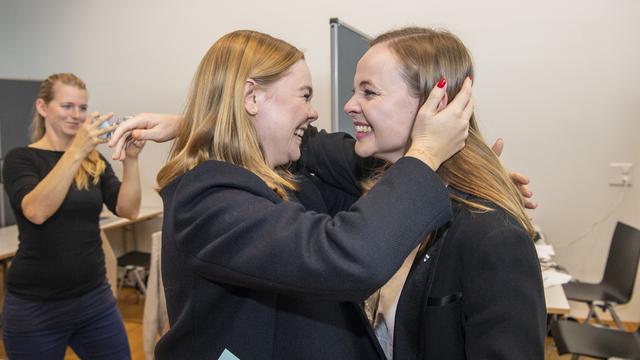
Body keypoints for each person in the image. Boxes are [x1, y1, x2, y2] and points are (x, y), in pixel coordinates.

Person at [112, 30, 472, 359]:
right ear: (252, 96)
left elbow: (343, 156)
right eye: (305, 96)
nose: (314, 112)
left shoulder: (285, 175)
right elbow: (346, 256)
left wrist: (468, 172)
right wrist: (425, 153)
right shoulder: (207, 200)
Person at [301, 27, 546, 359]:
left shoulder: (493, 235)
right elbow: (307, 143)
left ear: (437, 103)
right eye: (354, 91)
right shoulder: (378, 179)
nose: (349, 106)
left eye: (369, 93)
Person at [2, 73, 144, 359]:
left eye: (82, 108)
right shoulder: (21, 158)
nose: (76, 115)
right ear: (43, 108)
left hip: (95, 299)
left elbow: (129, 210)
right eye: (67, 106)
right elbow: (37, 211)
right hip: (36, 308)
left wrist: (131, 160)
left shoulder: (94, 161)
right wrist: (78, 149)